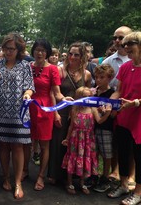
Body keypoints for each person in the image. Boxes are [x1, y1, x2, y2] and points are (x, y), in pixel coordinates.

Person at [0, 32, 35, 199]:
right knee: (2, 145)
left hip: (19, 113)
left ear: (19, 49)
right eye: (6, 48)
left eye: (12, 48)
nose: (8, 51)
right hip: (0, 111)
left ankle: (18, 182)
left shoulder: (25, 66)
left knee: (18, 146)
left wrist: (27, 94)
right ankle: (6, 177)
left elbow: (30, 86)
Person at [28, 38, 73, 191]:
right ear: (33, 50)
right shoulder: (28, 66)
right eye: (37, 49)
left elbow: (56, 92)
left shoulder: (53, 69)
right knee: (26, 142)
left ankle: (41, 176)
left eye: (43, 50)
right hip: (28, 107)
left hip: (45, 109)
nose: (39, 53)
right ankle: (25, 171)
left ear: (47, 52)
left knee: (44, 144)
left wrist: (63, 99)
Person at [47, 42, 92, 185]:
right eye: (70, 53)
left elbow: (87, 96)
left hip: (78, 115)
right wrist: (55, 113)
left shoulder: (87, 75)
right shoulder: (60, 70)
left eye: (76, 54)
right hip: (62, 111)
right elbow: (52, 93)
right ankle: (54, 174)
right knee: (57, 142)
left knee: (74, 144)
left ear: (82, 56)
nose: (72, 57)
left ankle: (72, 175)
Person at [107, 31, 141, 205]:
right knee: (123, 151)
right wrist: (109, 103)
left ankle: (138, 192)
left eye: (131, 44)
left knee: (139, 155)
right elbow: (119, 91)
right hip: (123, 116)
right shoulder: (125, 67)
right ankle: (123, 185)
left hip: (139, 119)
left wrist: (135, 103)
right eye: (125, 44)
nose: (126, 47)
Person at [61, 86, 112, 195]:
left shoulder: (93, 109)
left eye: (90, 96)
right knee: (72, 158)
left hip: (88, 139)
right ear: (79, 97)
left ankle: (82, 182)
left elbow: (99, 121)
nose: (88, 99)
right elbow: (71, 126)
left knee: (85, 160)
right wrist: (67, 138)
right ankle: (69, 182)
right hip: (76, 138)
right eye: (85, 97)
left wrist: (107, 113)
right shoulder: (74, 109)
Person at [102, 26, 134, 185]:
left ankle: (132, 176)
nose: (117, 41)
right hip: (115, 107)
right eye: (115, 38)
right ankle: (116, 172)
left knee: (133, 145)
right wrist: (110, 106)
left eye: (121, 38)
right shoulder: (109, 61)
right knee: (116, 142)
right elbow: (113, 88)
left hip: (134, 108)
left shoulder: (134, 61)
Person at [92, 64, 115, 193]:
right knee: (94, 152)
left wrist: (106, 111)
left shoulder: (112, 94)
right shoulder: (93, 92)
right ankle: (94, 175)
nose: (98, 80)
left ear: (109, 78)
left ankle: (105, 177)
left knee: (107, 154)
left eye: (102, 77)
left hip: (106, 128)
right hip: (93, 127)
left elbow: (113, 114)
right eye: (96, 77)